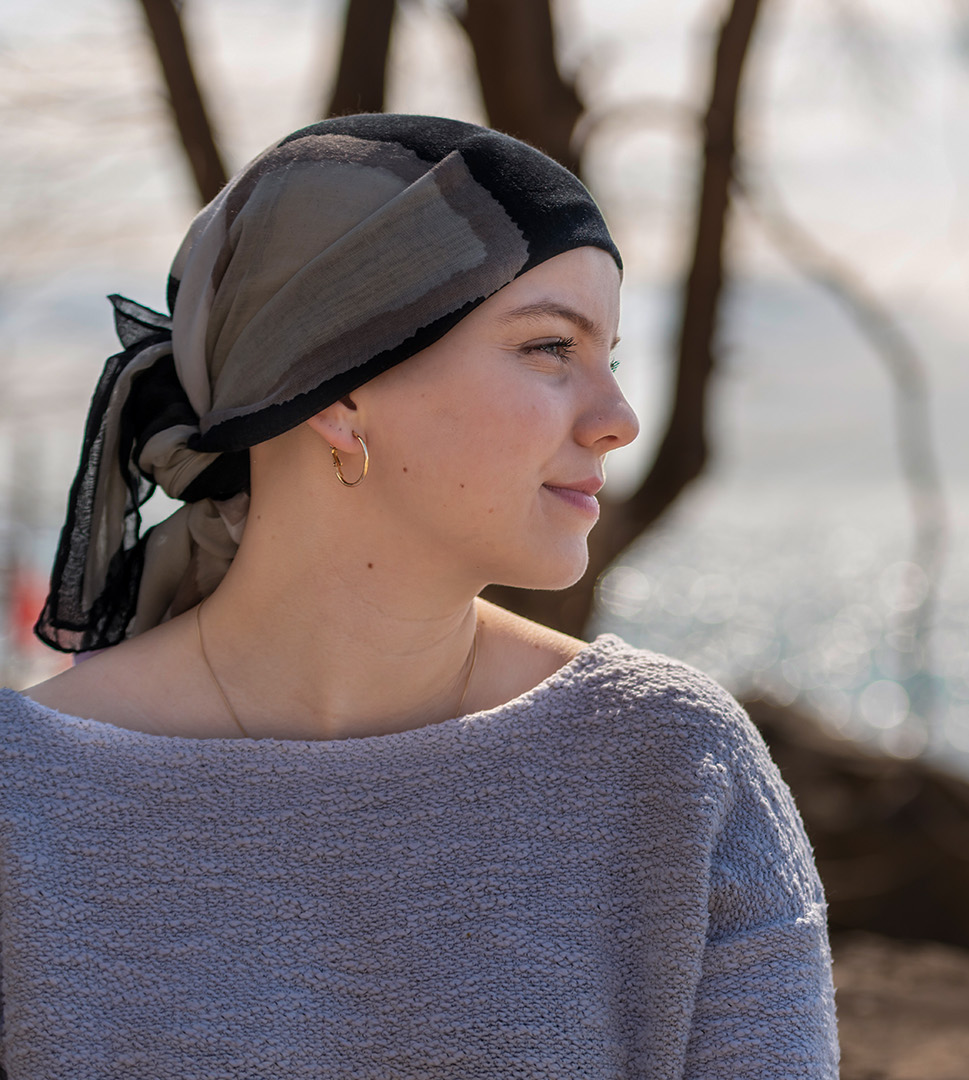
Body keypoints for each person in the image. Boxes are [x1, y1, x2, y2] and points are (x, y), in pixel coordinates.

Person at [0, 114, 837, 1076]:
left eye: (611, 357)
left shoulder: (672, 767)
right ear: (335, 391)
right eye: (549, 348)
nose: (619, 419)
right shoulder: (24, 809)